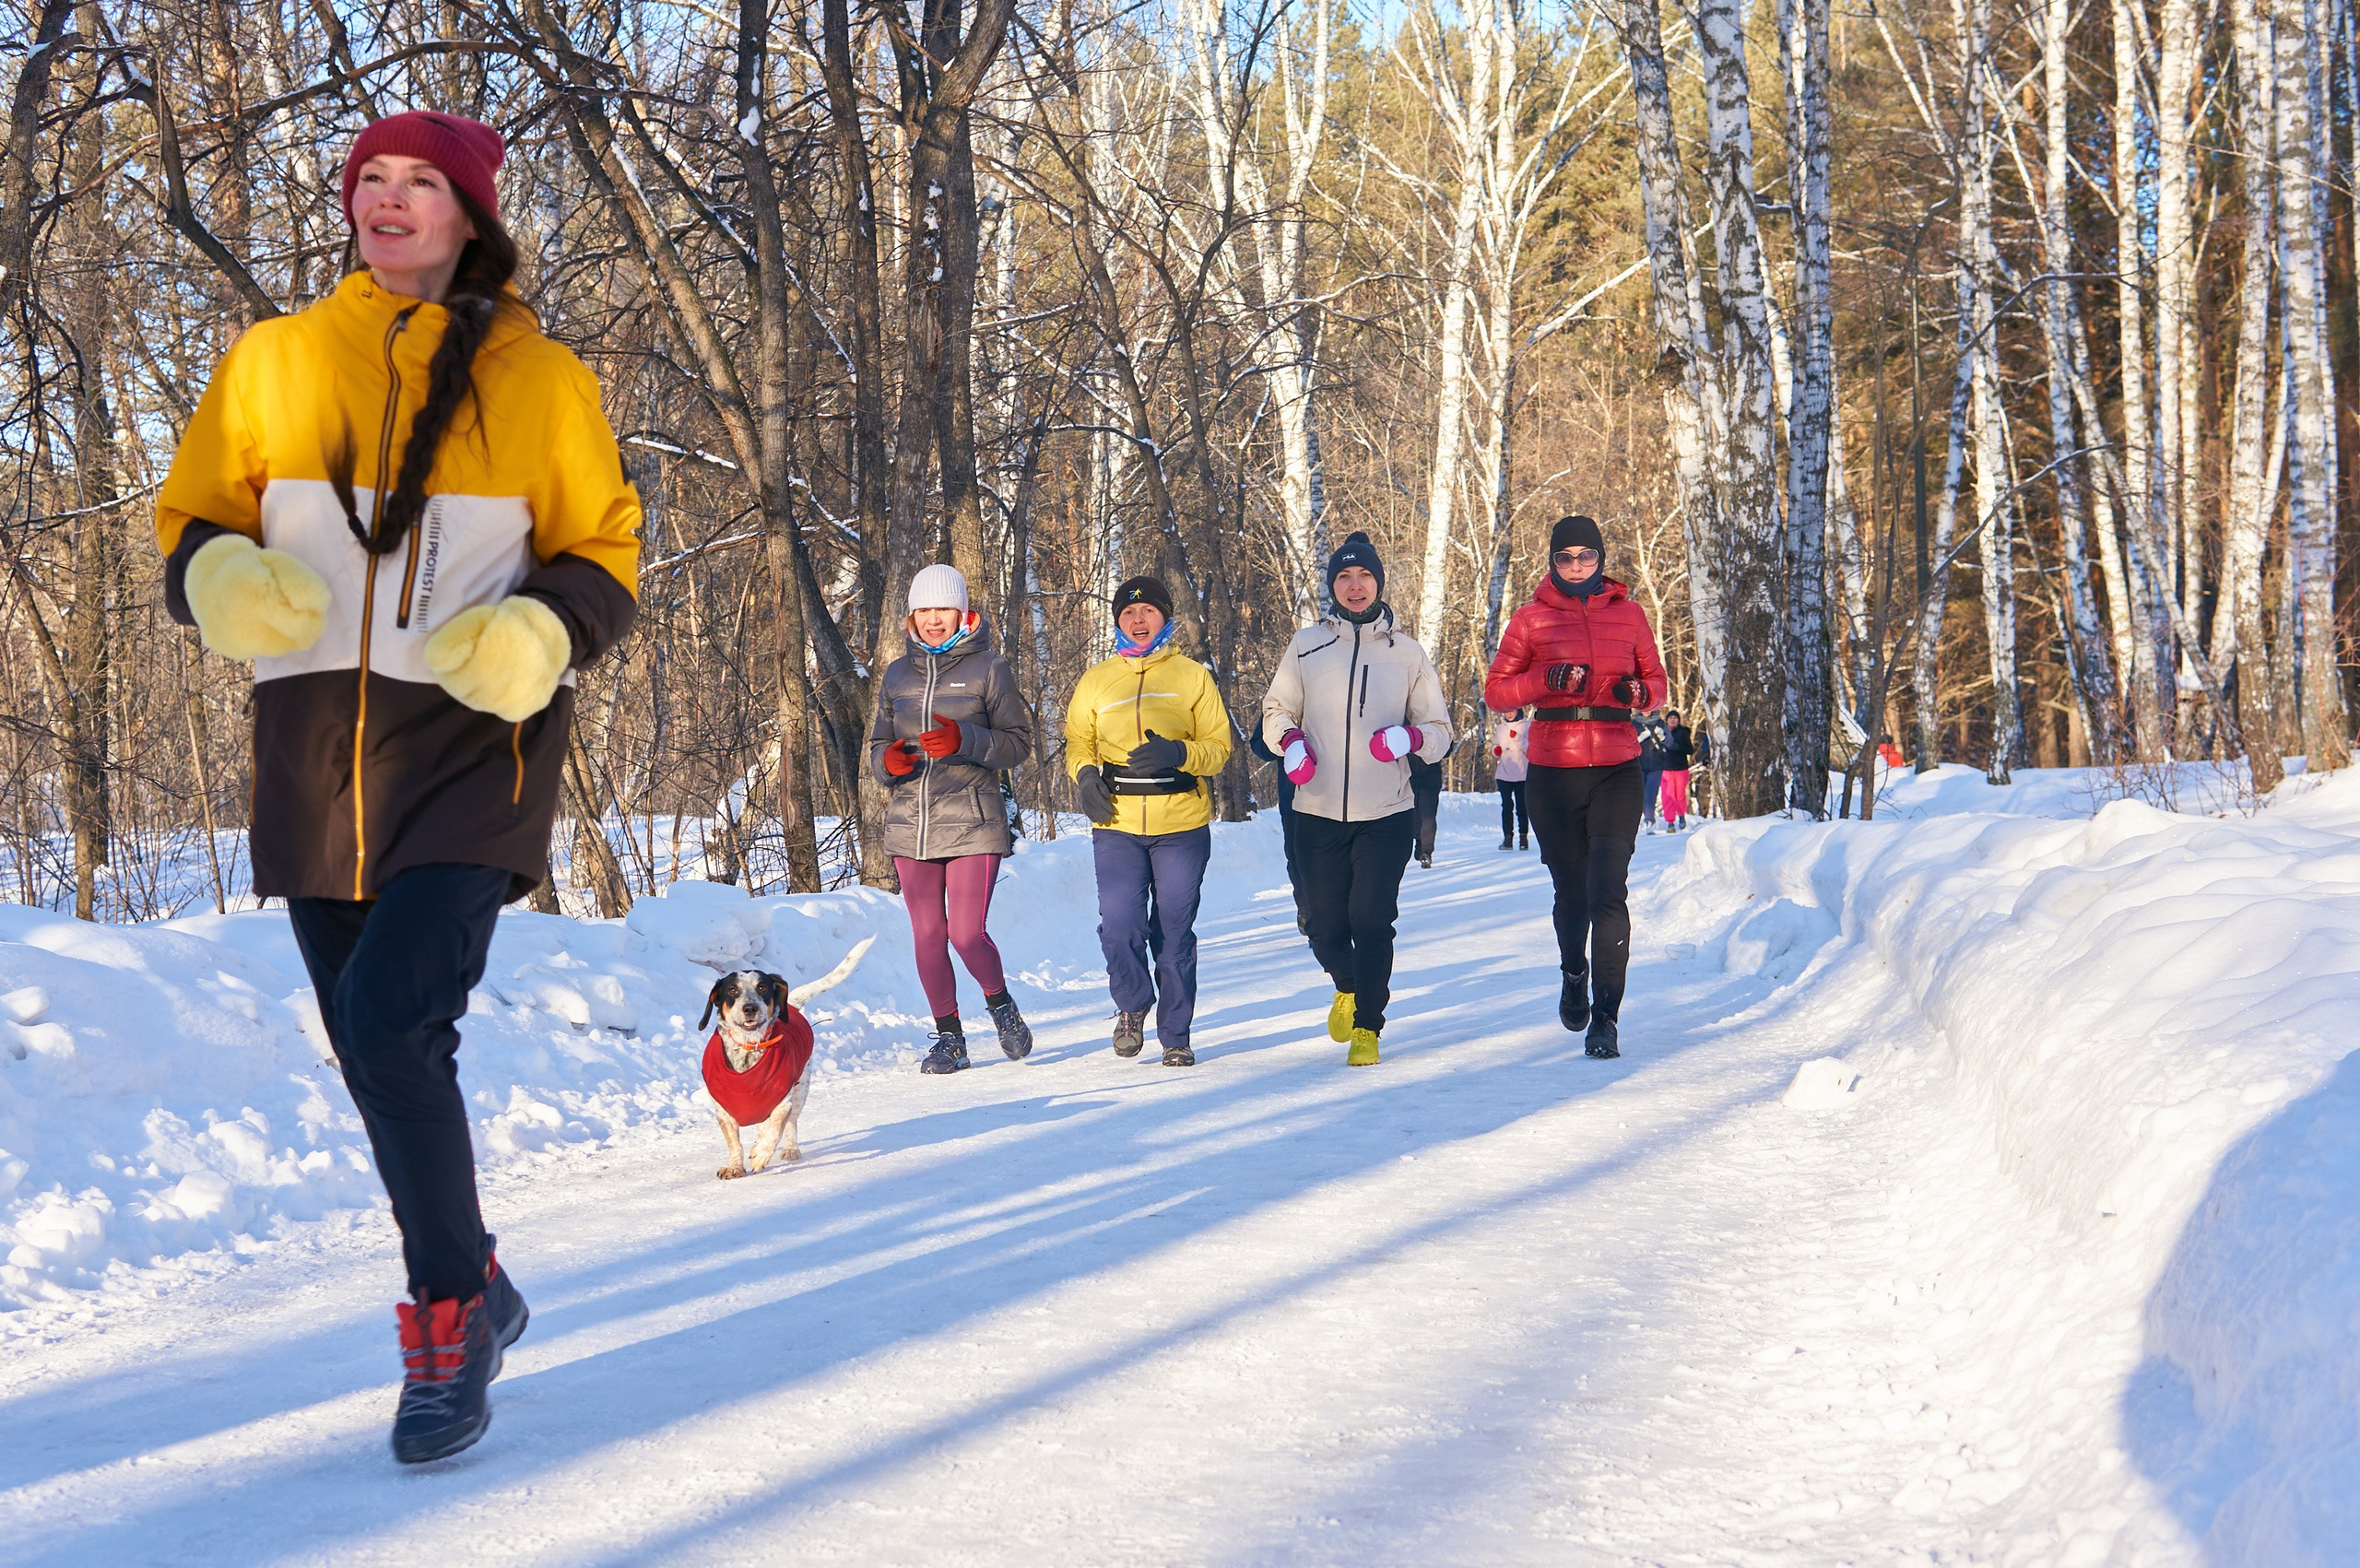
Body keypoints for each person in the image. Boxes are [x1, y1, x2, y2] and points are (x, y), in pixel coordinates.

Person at [155, 112, 642, 1463]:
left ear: (471, 213)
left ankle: (446, 1320)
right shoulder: (276, 361)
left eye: (418, 182)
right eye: (369, 180)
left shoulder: (542, 382)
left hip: (472, 753)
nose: (387, 200)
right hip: (314, 758)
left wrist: (543, 631)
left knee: (386, 1022)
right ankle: (476, 1277)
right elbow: (191, 513)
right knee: (383, 1049)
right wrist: (218, 576)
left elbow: (604, 551)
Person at [1261, 532, 1453, 1067]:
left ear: (1378, 583)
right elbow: (1275, 711)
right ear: (1332, 587)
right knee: (1323, 922)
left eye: (1364, 576)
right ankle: (1346, 984)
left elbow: (1440, 732)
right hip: (1316, 809)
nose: (1354, 585)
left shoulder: (1408, 653)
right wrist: (1291, 741)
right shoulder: (1306, 646)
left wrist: (1409, 740)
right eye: (1344, 577)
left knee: (1371, 919)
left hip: (1387, 812)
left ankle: (1369, 1024)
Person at [1483, 514, 1666, 1060]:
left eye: (1586, 556)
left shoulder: (1631, 615)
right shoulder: (1531, 620)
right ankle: (1573, 971)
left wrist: (1638, 692)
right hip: (1553, 771)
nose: (1577, 565)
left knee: (1608, 890)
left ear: (1601, 560)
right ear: (1552, 562)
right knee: (1572, 894)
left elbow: (1656, 685)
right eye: (1565, 557)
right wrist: (1546, 681)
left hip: (1616, 765)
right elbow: (1497, 691)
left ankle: (1606, 1018)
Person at [868, 563, 1034, 1074]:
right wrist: (886, 764)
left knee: (965, 933)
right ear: (911, 617)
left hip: (973, 820)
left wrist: (967, 740)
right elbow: (877, 744)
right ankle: (950, 1040)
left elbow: (1019, 745)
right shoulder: (897, 674)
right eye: (925, 610)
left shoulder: (991, 668)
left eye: (944, 609)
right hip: (910, 823)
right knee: (926, 936)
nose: (934, 619)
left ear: (963, 613)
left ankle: (1001, 1005)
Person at [1064, 577, 1233, 1067]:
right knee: (1120, 928)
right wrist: (1085, 775)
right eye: (1128, 613)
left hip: (1180, 823)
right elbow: (1079, 739)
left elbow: (1219, 751)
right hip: (1115, 821)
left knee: (1174, 933)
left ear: (1165, 617)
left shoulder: (1191, 676)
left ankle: (1176, 1035)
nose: (1138, 620)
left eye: (1148, 612)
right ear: (1118, 621)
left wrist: (1178, 753)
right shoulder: (1097, 679)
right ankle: (1133, 1004)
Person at [1247, 725, 1311, 935]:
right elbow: (1258, 744)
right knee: (1298, 863)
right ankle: (1308, 911)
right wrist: (1284, 743)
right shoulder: (1283, 698)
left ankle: (1332, 919)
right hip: (1293, 800)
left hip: (1338, 801)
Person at [1490, 709, 1530, 850]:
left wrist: (1517, 737)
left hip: (1522, 773)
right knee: (1506, 807)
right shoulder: (1500, 729)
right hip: (1504, 774)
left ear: (1519, 710)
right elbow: (1495, 746)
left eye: (1512, 710)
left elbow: (1531, 749)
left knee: (1522, 807)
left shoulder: (1527, 726)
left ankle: (1523, 839)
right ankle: (1508, 838)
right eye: (1506, 711)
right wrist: (1496, 751)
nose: (1509, 714)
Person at [1409, 746, 1446, 867]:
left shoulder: (1439, 725)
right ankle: (1420, 842)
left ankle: (1426, 851)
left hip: (1430, 774)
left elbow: (1447, 748)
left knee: (1428, 813)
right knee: (1414, 811)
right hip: (1409, 772)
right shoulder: (1403, 725)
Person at [1660, 710, 1697, 831]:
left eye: (1675, 718)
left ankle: (1681, 814)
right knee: (1668, 796)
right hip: (1665, 769)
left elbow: (1690, 750)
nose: (1672, 720)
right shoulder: (1661, 732)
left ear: (1678, 720)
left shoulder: (1683, 732)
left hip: (1681, 768)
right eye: (1670, 718)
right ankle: (1670, 822)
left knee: (1680, 795)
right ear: (1666, 720)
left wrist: (1676, 746)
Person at [1635, 711, 1669, 832]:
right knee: (1640, 794)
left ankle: (1650, 821)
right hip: (1639, 764)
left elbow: (1670, 742)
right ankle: (1641, 819)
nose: (1646, 711)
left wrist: (1662, 737)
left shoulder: (1660, 723)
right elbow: (1627, 743)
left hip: (1656, 765)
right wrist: (1639, 739)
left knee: (1651, 794)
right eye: (1643, 708)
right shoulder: (1635, 723)